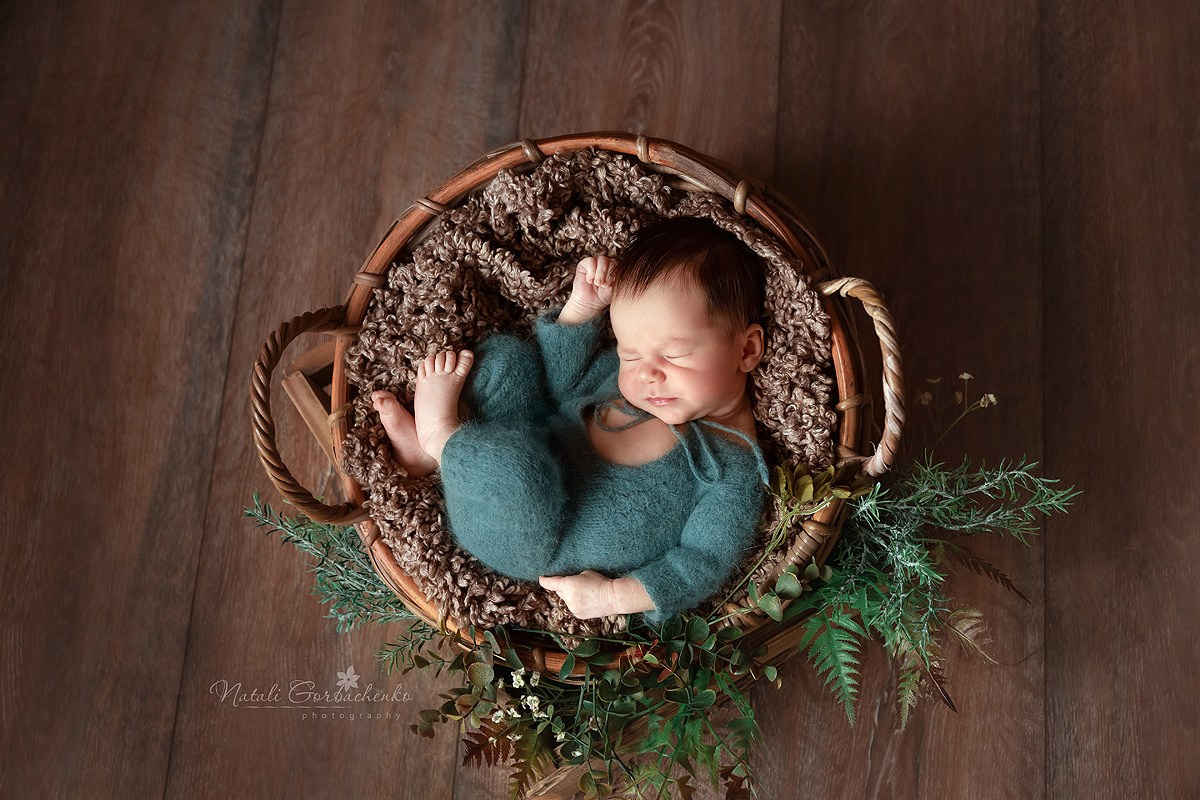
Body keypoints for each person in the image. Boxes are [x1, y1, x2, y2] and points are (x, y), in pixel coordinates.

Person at [370, 217, 769, 626]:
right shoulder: (628, 379)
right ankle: (437, 459)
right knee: (506, 360)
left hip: (535, 533)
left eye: (674, 355)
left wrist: (612, 596)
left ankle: (439, 436)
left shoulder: (731, 468)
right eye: (630, 354)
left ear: (747, 350)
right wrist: (581, 310)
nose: (647, 374)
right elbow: (563, 387)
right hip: (530, 437)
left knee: (518, 472)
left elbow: (704, 561)